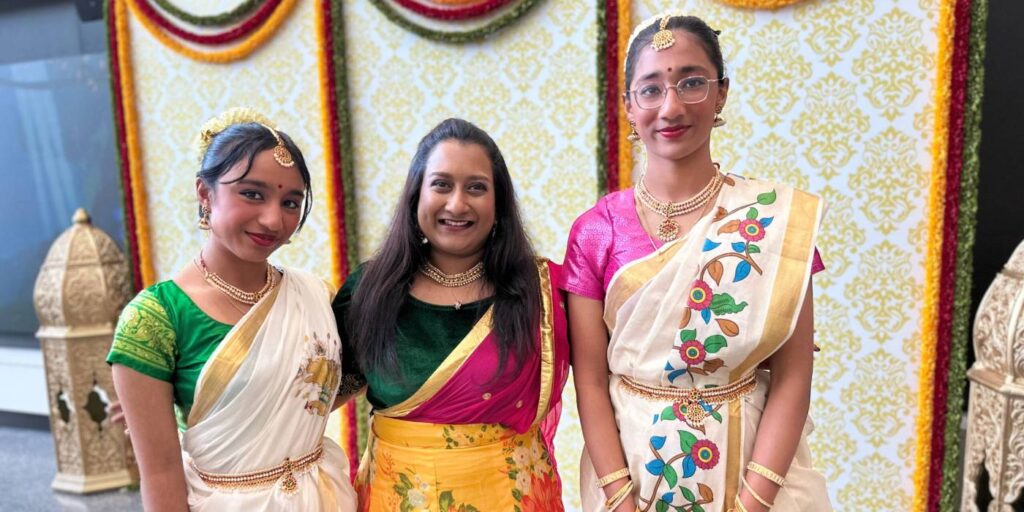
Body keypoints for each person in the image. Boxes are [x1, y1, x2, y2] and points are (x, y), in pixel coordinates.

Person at [563, 13, 831, 512]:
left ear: (721, 93)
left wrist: (753, 501)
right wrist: (620, 499)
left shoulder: (773, 222)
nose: (670, 106)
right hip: (632, 470)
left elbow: (794, 376)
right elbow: (592, 383)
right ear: (628, 105)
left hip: (752, 467)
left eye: (691, 82)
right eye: (650, 88)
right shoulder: (596, 231)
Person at [107, 108, 357, 511]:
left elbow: (308, 395)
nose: (274, 219)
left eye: (291, 202)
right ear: (205, 194)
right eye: (253, 194)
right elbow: (160, 477)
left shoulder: (314, 294)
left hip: (325, 497)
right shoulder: (154, 320)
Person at [332, 118, 569, 511]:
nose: (457, 204)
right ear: (416, 195)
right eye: (441, 184)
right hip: (398, 499)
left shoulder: (541, 292)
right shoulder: (369, 292)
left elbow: (605, 383)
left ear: (499, 203)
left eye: (476, 187)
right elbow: (309, 399)